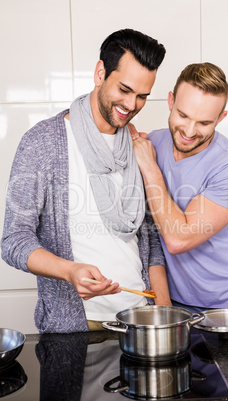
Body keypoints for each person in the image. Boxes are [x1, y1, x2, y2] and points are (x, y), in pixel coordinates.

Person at [1, 29, 172, 334]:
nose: (132, 105)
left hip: (141, 318)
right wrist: (70, 271)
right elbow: (14, 240)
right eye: (124, 89)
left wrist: (165, 314)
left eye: (142, 96)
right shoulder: (42, 142)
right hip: (77, 326)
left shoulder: (138, 147)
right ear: (100, 72)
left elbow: (149, 240)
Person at [129, 62, 228, 324]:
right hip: (178, 303)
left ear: (221, 118)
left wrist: (149, 167)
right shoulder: (154, 143)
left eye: (204, 122)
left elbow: (179, 239)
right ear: (170, 101)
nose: (190, 132)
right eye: (183, 116)